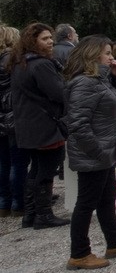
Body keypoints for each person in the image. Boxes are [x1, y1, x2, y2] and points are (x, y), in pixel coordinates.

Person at [62, 35, 116, 269]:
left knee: (107, 198)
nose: (111, 56)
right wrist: (97, 152)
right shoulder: (85, 83)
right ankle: (79, 253)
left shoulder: (99, 80)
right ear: (92, 55)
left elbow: (113, 103)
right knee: (86, 203)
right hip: (94, 154)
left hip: (105, 152)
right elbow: (77, 124)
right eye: (106, 53)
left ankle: (115, 242)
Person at [8, 23, 70, 229]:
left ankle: (31, 213)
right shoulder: (41, 64)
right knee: (45, 169)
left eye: (50, 37)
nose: (50, 41)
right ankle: (43, 214)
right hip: (45, 125)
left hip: (29, 124)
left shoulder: (21, 63)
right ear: (32, 41)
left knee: (35, 169)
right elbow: (58, 93)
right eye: (45, 39)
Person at [0, 26, 29, 219]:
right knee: (17, 162)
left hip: (2, 117)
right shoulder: (13, 60)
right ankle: (18, 202)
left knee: (3, 162)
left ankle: (4, 203)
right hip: (14, 116)